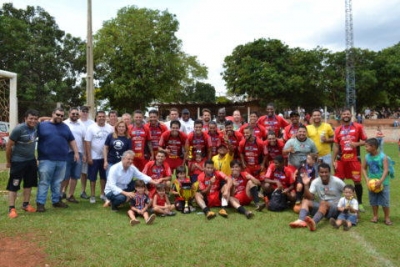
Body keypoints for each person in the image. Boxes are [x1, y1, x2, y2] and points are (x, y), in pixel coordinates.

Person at [36, 108, 80, 212]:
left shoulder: (65, 127)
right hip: (46, 159)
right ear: (52, 114)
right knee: (44, 182)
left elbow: (72, 140)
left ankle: (56, 201)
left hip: (62, 160)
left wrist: (76, 152)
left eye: (61, 116)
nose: (60, 117)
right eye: (58, 115)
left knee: (57, 182)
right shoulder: (42, 126)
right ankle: (40, 203)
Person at [289, 163, 345, 231]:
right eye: (322, 172)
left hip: (335, 208)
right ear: (318, 173)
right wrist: (306, 185)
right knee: (305, 201)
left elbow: (350, 193)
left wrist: (350, 207)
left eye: (326, 172)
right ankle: (301, 220)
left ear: (329, 172)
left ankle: (313, 222)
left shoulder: (337, 181)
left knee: (324, 203)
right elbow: (310, 197)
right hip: (322, 207)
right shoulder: (315, 182)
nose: (324, 174)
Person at [6, 109, 39, 218]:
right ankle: (11, 208)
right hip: (18, 161)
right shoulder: (19, 129)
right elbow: (8, 146)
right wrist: (8, 161)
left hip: (30, 161)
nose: (33, 121)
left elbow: (44, 119)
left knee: (28, 184)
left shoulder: (35, 127)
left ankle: (26, 204)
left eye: (35, 119)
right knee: (14, 185)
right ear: (25, 118)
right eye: (30, 118)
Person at [332, 108, 367, 212]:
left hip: (354, 159)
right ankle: (338, 202)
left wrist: (356, 144)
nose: (346, 115)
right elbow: (336, 146)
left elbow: (366, 141)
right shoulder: (338, 129)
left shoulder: (358, 127)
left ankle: (359, 203)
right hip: (341, 160)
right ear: (341, 116)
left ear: (351, 115)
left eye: (348, 114)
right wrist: (333, 160)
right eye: (344, 114)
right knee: (338, 181)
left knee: (357, 181)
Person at [85, 110, 114, 203]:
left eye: (103, 116)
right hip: (94, 156)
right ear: (96, 117)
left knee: (104, 177)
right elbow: (87, 142)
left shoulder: (110, 128)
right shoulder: (91, 128)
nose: (101, 118)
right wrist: (89, 156)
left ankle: (102, 194)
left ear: (106, 117)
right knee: (92, 177)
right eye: (99, 116)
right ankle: (92, 195)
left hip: (105, 157)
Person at [361, 138, 392, 225]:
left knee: (385, 201)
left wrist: (381, 181)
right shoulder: (367, 157)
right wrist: (367, 179)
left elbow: (386, 170)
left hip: (383, 183)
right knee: (373, 200)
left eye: (367, 146)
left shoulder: (383, 157)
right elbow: (363, 168)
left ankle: (387, 217)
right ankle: (375, 216)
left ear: (373, 147)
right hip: (372, 183)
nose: (365, 148)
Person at [62, 107, 86, 204]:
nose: (75, 115)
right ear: (69, 114)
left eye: (76, 114)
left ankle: (70, 195)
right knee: (65, 175)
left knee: (75, 175)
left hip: (79, 153)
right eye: (73, 113)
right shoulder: (64, 124)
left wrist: (84, 154)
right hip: (66, 153)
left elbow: (84, 140)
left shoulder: (81, 125)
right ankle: (61, 193)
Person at [78, 106, 95, 199]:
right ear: (80, 112)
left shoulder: (92, 123)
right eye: (83, 111)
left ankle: (87, 191)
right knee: (82, 173)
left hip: (90, 151)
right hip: (79, 150)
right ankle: (82, 191)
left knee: (89, 172)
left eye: (86, 111)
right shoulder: (77, 122)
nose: (84, 113)